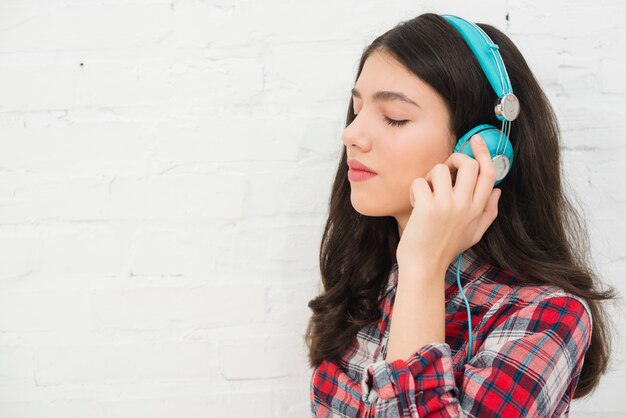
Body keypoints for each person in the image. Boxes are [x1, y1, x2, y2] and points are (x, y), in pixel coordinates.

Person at [305, 12, 616, 417]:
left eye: (394, 117)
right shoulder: (367, 279)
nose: (352, 134)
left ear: (481, 149)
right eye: (358, 108)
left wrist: (422, 271)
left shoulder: (544, 317)